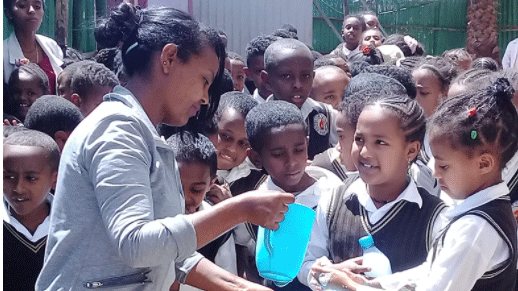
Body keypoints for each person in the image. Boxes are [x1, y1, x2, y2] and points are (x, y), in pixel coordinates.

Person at [35, 5, 294, 291]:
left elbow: (167, 252)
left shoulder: (143, 134)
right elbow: (136, 244)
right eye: (204, 80)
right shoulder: (117, 130)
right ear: (169, 58)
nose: (206, 98)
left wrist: (241, 287)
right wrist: (240, 209)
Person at [313, 78, 518, 291]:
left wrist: (350, 286)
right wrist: (375, 283)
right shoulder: (489, 211)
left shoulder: (475, 228)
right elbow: (431, 270)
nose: (435, 172)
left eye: (444, 166)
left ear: (484, 164)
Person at [300, 93, 446, 289]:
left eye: (380, 143)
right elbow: (308, 262)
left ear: (411, 151)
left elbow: (441, 278)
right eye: (359, 139)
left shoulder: (434, 217)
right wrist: (324, 272)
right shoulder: (333, 201)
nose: (364, 152)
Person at [246, 101, 344, 291]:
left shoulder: (334, 194)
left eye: (298, 150)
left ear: (307, 143)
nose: (291, 162)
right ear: (256, 157)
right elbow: (246, 252)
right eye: (277, 154)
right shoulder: (254, 203)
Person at [167, 132, 239, 291]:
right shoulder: (146, 220)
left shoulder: (219, 229)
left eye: (196, 190)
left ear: (210, 184)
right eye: (176, 187)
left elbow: (228, 277)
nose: (185, 197)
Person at [262, 38, 337, 160]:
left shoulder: (326, 114)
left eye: (305, 76)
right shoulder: (257, 121)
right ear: (266, 79)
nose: (298, 84)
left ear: (313, 77)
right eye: (286, 76)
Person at [3, 129, 60, 291]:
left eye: (31, 178)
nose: (19, 188)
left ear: (55, 179)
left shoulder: (71, 226)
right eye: (9, 177)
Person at [3, 0, 63, 94]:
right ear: (9, 13)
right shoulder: (4, 53)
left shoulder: (52, 46)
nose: (31, 10)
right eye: (22, 6)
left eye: (37, 6)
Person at [244, 35, 279, 104]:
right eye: (259, 71)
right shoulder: (243, 111)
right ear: (248, 74)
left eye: (273, 70)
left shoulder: (299, 107)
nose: (267, 77)